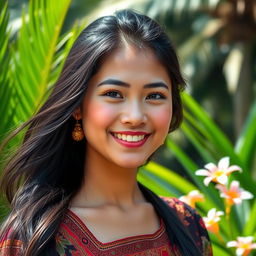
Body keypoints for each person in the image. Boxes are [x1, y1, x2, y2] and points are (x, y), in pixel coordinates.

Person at [0, 9, 212, 256]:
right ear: (78, 106)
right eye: (113, 94)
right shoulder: (32, 237)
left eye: (154, 96)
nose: (134, 116)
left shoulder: (188, 225)